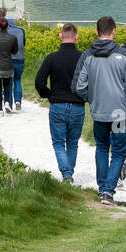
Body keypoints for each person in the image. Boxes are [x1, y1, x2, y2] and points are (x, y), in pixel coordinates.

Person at [71, 16, 126, 206]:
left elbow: (78, 87)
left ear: (96, 32)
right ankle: (108, 192)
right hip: (120, 114)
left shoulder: (87, 56)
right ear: (114, 31)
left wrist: (92, 97)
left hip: (99, 112)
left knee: (102, 147)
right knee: (119, 151)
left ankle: (102, 186)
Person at [34, 23, 85, 181]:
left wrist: (48, 95)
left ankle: (67, 173)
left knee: (58, 142)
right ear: (76, 37)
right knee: (73, 142)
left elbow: (39, 82)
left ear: (60, 36)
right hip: (77, 105)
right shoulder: (84, 58)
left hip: (58, 105)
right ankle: (69, 172)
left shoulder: (52, 58)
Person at [0, 15, 18, 116]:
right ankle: (7, 102)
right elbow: (15, 51)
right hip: (8, 65)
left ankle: (0, 110)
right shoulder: (13, 38)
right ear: (8, 27)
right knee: (7, 85)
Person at [4, 14, 26, 111]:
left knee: (8, 82)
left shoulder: (5, 31)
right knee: (17, 80)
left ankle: (8, 103)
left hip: (8, 60)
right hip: (20, 59)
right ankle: (18, 101)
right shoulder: (21, 30)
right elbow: (24, 43)